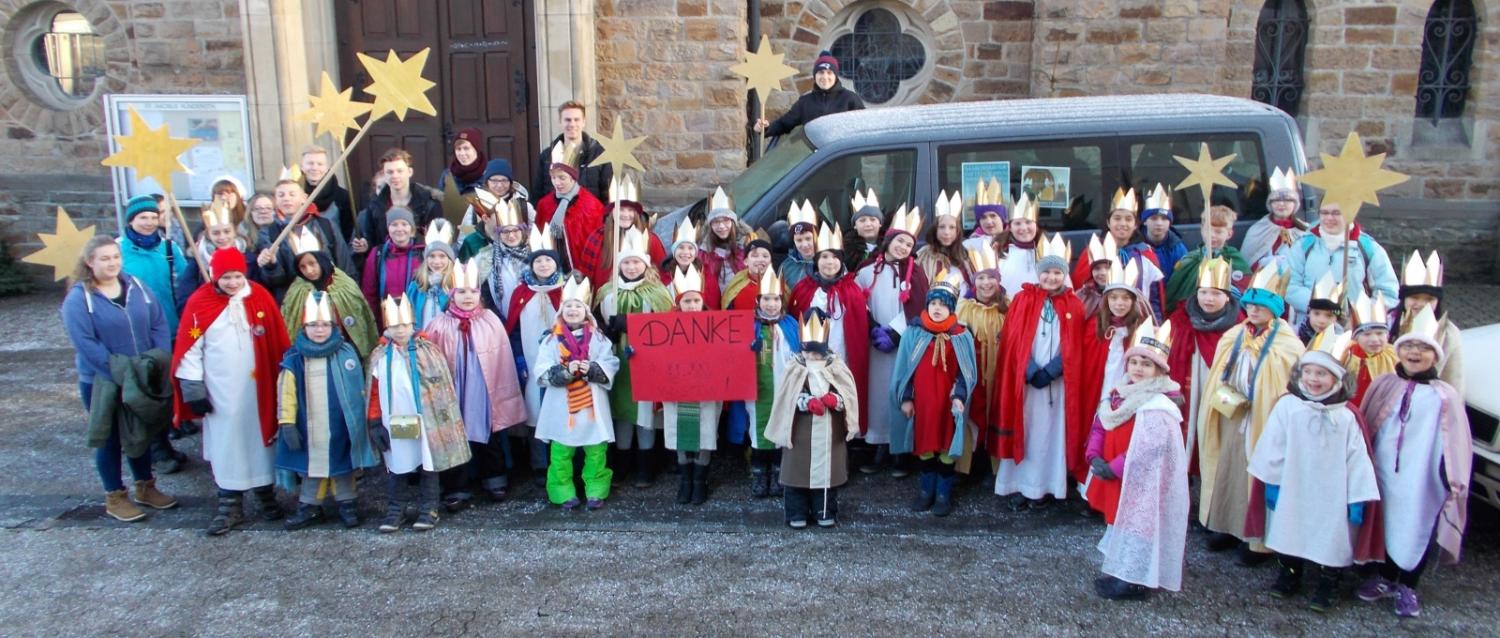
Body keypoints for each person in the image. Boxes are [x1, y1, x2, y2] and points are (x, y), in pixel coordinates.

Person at [1248, 328, 1380, 612]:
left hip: (1332, 490)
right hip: (1294, 483)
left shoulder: (1345, 416)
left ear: (1337, 379)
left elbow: (1357, 457)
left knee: (1331, 535)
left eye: (1322, 374)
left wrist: (1356, 496)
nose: (1313, 379)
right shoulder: (1288, 407)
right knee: (1289, 527)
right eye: (1308, 372)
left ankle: (1328, 581)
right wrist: (1272, 482)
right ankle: (1290, 574)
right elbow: (1273, 444)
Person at [1357, 306, 1472, 618]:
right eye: (1408, 345)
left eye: (1423, 348)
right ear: (1399, 349)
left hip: (1421, 475)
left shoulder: (1445, 396)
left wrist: (1451, 476)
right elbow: (1367, 422)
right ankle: (1384, 577)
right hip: (1384, 470)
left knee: (1414, 525)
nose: (1414, 352)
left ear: (1436, 356)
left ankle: (1408, 584)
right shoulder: (1384, 384)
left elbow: (1456, 442)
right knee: (1385, 520)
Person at [171, 248, 291, 536]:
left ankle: (265, 494)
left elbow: (277, 338)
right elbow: (189, 349)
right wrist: (192, 388)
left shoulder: (259, 296)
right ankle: (230, 502)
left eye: (237, 276)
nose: (233, 282)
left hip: (257, 387)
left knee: (260, 441)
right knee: (228, 444)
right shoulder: (200, 303)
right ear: (216, 275)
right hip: (220, 390)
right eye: (226, 277)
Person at [61, 236, 179, 522]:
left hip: (140, 373)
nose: (112, 263)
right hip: (103, 380)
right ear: (90, 262)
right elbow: (85, 343)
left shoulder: (137, 287)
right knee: (110, 438)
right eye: (104, 258)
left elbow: (158, 322)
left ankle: (145, 487)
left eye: (115, 257)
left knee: (139, 432)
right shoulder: (79, 299)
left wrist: (157, 357)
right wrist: (119, 369)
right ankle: (115, 495)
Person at [1196, 266, 1304, 563]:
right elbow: (1220, 370)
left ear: (1274, 310)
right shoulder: (1234, 335)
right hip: (1231, 412)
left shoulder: (1288, 344)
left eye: (1261, 306)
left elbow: (1287, 381)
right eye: (1251, 305)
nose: (1254, 310)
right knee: (1227, 467)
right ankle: (1225, 524)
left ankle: (1255, 537)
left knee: (1256, 473)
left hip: (1263, 418)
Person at [1085, 319, 1187, 600]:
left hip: (1139, 478)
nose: (1139, 369)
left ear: (1158, 370)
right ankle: (1121, 569)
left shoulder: (1159, 404)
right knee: (1119, 521)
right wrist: (1094, 456)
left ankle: (1135, 580)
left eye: (1147, 364)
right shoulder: (1119, 394)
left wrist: (1116, 467)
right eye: (1135, 363)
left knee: (1139, 526)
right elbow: (1101, 424)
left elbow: (1149, 448)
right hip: (1114, 473)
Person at [993, 234, 1087, 511]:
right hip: (1027, 383)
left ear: (1065, 275)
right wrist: (1030, 369)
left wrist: (1054, 369)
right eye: (1047, 271)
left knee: (1049, 435)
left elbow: (1076, 346)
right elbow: (1012, 340)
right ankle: (1022, 485)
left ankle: (1046, 487)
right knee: (1027, 429)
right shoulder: (1022, 299)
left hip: (1057, 385)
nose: (1052, 277)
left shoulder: (1074, 305)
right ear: (1039, 273)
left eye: (1058, 272)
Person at [425, 259, 529, 508]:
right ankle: (456, 487)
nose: (468, 297)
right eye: (461, 292)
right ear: (452, 295)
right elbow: (430, 360)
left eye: (472, 291)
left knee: (488, 430)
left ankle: (494, 478)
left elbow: (501, 357)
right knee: (453, 436)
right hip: (453, 388)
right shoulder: (438, 324)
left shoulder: (490, 320)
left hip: (483, 387)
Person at [366, 294, 472, 532]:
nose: (400, 330)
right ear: (387, 327)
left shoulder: (428, 350)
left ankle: (429, 508)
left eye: (404, 325)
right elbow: (373, 391)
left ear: (413, 324)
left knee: (428, 464)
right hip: (394, 421)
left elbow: (442, 386)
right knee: (397, 465)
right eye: (394, 326)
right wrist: (374, 421)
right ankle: (396, 510)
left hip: (426, 419)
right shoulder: (380, 356)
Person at [274, 291, 378, 530]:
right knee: (313, 468)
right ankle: (309, 506)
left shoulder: (346, 353)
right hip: (309, 427)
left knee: (344, 466)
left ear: (334, 325)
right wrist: (286, 422)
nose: (319, 330)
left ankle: (347, 504)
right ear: (304, 326)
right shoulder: (294, 359)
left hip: (341, 426)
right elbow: (286, 392)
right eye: (313, 325)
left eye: (325, 325)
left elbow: (358, 390)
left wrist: (362, 423)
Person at [890, 269, 976, 517]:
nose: (937, 308)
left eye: (943, 304)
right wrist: (906, 398)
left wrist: (959, 396)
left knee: (947, 447)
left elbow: (966, 372)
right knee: (926, 446)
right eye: (933, 303)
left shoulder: (961, 336)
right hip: (923, 403)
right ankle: (926, 491)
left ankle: (943, 494)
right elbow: (904, 369)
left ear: (952, 308)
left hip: (947, 404)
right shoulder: (914, 333)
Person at [533, 274, 620, 509]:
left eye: (577, 306)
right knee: (561, 453)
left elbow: (611, 362)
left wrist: (592, 368)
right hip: (563, 407)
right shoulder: (551, 340)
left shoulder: (599, 338)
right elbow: (540, 369)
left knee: (596, 452)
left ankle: (596, 490)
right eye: (568, 306)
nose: (573, 310)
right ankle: (562, 491)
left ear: (586, 312)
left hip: (592, 405)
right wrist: (565, 371)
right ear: (561, 311)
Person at [767, 311, 860, 528]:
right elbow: (786, 397)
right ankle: (796, 511)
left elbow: (848, 395)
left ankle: (824, 510)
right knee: (797, 473)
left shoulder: (836, 366)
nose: (813, 358)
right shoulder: (795, 366)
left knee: (827, 475)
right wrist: (805, 402)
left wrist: (834, 400)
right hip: (801, 431)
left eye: (817, 354)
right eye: (809, 352)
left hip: (829, 431)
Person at [596, 227, 674, 486]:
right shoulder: (608, 290)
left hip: (647, 361)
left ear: (645, 264)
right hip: (618, 360)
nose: (631, 267)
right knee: (621, 411)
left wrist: (630, 323)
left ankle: (645, 466)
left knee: (645, 412)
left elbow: (666, 325)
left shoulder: (657, 291)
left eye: (635, 262)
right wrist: (608, 327)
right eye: (626, 262)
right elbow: (596, 324)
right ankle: (622, 464)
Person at [855, 205, 929, 475]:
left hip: (902, 345)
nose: (903, 247)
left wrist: (896, 332)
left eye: (909, 244)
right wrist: (874, 328)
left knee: (900, 393)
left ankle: (900, 451)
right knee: (876, 395)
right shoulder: (866, 270)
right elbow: (858, 302)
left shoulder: (916, 273)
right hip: (875, 346)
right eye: (900, 241)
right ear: (888, 241)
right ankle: (879, 448)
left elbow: (920, 305)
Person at [788, 223, 870, 436]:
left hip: (842, 356)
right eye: (824, 256)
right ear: (816, 260)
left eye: (834, 257)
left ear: (841, 260)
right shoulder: (803, 289)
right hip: (810, 358)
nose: (829, 262)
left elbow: (858, 330)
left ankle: (844, 440)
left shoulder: (852, 290)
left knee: (839, 398)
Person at [1074, 258, 1152, 460]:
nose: (1119, 303)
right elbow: (1085, 360)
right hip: (1099, 386)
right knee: (1096, 423)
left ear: (1134, 301)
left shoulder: (1140, 327)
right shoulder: (1094, 325)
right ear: (1106, 300)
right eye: (1114, 298)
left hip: (1127, 387)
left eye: (1125, 298)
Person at [1165, 257, 1241, 463]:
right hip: (1189, 383)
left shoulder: (1238, 324)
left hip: (1218, 387)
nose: (1208, 298)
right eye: (1204, 292)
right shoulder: (1181, 319)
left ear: (1227, 297)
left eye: (1216, 293)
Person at [505, 228, 566, 480]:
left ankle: (561, 464)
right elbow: (514, 328)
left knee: (560, 407)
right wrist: (518, 356)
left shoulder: (565, 290)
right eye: (538, 260)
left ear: (556, 263)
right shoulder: (522, 292)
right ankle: (540, 464)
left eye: (548, 260)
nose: (543, 264)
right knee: (535, 410)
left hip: (560, 359)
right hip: (530, 359)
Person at [660, 266, 723, 505]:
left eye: (696, 300)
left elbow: (728, 352)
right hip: (677, 389)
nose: (692, 305)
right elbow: (655, 353)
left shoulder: (717, 324)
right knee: (679, 434)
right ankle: (685, 480)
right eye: (687, 301)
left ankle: (700, 480)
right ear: (680, 303)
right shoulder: (665, 325)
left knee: (705, 433)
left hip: (707, 390)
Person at [734, 269, 800, 497]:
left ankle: (781, 474)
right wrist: (746, 350)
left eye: (775, 299)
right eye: (766, 299)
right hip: (758, 389)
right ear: (758, 300)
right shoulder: (748, 325)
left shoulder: (791, 324)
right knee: (759, 430)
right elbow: (733, 356)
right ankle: (760, 474)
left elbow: (800, 354)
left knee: (784, 428)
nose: (771, 304)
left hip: (785, 388)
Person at [1284, 199, 1398, 318]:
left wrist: (1364, 316)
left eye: (1336, 213)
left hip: (1353, 327)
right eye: (1324, 213)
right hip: (1311, 323)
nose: (1329, 218)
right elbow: (1290, 285)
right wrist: (1320, 310)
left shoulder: (1369, 248)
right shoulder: (1303, 245)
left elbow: (1388, 291)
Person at [279, 228, 380, 359]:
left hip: (345, 349)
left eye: (312, 264)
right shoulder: (296, 290)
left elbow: (360, 318)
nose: (309, 270)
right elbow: (291, 323)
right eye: (302, 267)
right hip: (309, 352)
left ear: (321, 261)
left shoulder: (343, 283)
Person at [256, 175, 356, 302]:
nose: (286, 198)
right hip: (293, 302)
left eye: (292, 194)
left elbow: (345, 264)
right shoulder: (268, 232)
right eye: (281, 195)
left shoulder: (326, 225)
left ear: (304, 198)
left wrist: (350, 296)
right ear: (275, 200)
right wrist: (271, 265)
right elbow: (275, 280)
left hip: (331, 297)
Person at [1072, 188, 1165, 319]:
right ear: (1108, 223)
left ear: (1136, 225)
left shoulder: (1145, 255)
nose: (1122, 223)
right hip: (1099, 325)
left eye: (1128, 219)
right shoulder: (1094, 251)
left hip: (1137, 323)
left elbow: (1154, 298)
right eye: (1117, 218)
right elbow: (1081, 294)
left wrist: (1156, 324)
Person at [957, 243, 1008, 474]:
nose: (986, 283)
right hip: (971, 375)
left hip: (999, 374)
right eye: (981, 278)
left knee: (998, 414)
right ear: (973, 281)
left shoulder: (1009, 307)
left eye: (991, 278)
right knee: (969, 416)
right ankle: (968, 464)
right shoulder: (964, 307)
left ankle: (995, 464)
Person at [117, 194, 196, 338]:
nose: (150, 222)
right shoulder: (117, 250)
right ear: (131, 220)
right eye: (143, 217)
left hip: (169, 325)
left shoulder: (169, 248)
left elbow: (186, 282)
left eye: (154, 217)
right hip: (134, 328)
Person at [1388, 250, 1463, 394]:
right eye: (1414, 297)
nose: (1421, 304)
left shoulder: (1448, 332)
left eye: (1429, 299)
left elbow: (1454, 377)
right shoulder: (1386, 323)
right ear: (1404, 298)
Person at [576, 179, 666, 289]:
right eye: (620, 209)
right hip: (604, 301)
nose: (625, 214)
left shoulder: (650, 240)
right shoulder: (597, 237)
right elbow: (586, 276)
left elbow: (663, 275)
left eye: (630, 210)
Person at [753, 50, 864, 138]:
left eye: (829, 73)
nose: (825, 77)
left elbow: (864, 127)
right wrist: (765, 128)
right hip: (817, 161)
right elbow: (784, 124)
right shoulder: (805, 102)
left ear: (835, 76)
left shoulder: (850, 99)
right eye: (821, 72)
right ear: (815, 76)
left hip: (844, 162)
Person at [353, 148, 443, 256]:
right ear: (384, 175)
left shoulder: (429, 204)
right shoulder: (375, 206)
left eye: (400, 171)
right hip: (386, 265)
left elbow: (439, 242)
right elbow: (372, 240)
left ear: (409, 172)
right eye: (390, 172)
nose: (395, 176)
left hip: (419, 265)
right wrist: (366, 245)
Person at [1163, 205, 1250, 314]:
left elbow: (1244, 292)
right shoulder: (1190, 259)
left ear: (1229, 234)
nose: (1212, 236)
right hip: (1190, 314)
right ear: (1201, 230)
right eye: (1208, 230)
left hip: (1224, 315)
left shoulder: (1234, 259)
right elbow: (1175, 289)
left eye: (1218, 232)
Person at [463, 191, 530, 317]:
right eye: (505, 232)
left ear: (522, 230)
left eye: (515, 230)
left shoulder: (534, 255)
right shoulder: (486, 258)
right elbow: (476, 289)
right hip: (501, 319)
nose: (511, 236)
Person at [533, 101, 613, 200]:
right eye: (567, 120)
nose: (572, 124)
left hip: (591, 214)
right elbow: (538, 194)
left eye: (576, 119)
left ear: (583, 122)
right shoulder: (546, 156)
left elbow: (607, 194)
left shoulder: (600, 155)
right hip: (556, 214)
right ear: (560, 122)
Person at [534, 162, 606, 270]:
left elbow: (598, 243)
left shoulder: (592, 206)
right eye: (553, 178)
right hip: (552, 267)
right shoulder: (544, 204)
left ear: (573, 178)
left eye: (562, 178)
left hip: (582, 267)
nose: (557, 183)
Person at [361, 206, 425, 325]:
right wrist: (375, 323)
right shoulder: (377, 254)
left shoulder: (422, 254)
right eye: (394, 224)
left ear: (411, 228)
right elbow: (369, 293)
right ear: (388, 228)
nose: (399, 229)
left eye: (404, 224)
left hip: (417, 321)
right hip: (388, 322)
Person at [1242, 168, 1308, 273]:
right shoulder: (1257, 230)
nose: (1281, 204)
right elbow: (1246, 264)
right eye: (1276, 200)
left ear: (1295, 204)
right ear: (1270, 204)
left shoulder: (1306, 231)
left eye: (1287, 200)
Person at [914, 191, 973, 292]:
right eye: (942, 227)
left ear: (957, 231)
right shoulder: (923, 256)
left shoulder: (966, 256)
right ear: (935, 229)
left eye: (952, 227)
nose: (946, 232)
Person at [459, 158, 533, 238]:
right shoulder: (477, 205)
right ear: (487, 182)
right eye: (494, 181)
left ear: (510, 182)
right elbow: (465, 234)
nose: (499, 185)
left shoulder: (522, 204)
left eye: (504, 180)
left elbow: (534, 232)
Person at [1344, 292, 1395, 407]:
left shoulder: (1393, 355)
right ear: (1356, 338)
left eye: (1379, 333)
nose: (1374, 339)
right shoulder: (1347, 355)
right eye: (1367, 334)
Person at [661, 217, 722, 310]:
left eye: (690, 248)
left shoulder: (707, 276)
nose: (686, 252)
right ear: (674, 251)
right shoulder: (664, 276)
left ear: (695, 252)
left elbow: (714, 306)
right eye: (681, 247)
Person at [298, 145, 356, 241]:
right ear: (302, 167)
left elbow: (349, 232)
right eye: (310, 163)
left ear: (327, 168)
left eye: (320, 164)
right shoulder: (293, 196)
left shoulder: (342, 197)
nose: (314, 168)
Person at [406, 219, 456, 329]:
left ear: (450, 259)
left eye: (442, 256)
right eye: (432, 256)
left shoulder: (455, 285)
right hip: (423, 339)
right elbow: (410, 314)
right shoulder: (417, 285)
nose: (437, 262)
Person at [699, 186, 750, 292]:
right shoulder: (703, 253)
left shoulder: (747, 245)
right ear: (710, 225)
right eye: (716, 222)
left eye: (726, 220)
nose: (721, 226)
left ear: (734, 222)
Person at [997, 193, 1042, 300]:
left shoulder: (1048, 251)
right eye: (1017, 223)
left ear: (1036, 225)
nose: (1023, 228)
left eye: (1028, 222)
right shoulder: (1000, 252)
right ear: (1010, 228)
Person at [1139, 185, 1186, 283]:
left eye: (1164, 219)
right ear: (1145, 221)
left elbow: (1183, 280)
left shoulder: (1178, 249)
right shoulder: (1135, 247)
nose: (1159, 223)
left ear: (1170, 222)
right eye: (1154, 218)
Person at [721, 236, 777, 312]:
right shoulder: (737, 282)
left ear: (771, 262)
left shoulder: (778, 285)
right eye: (755, 256)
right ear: (746, 261)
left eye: (765, 256)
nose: (760, 259)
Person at [1074, 234, 1118, 319]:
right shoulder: (1083, 295)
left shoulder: (1127, 294)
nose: (1103, 273)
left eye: (1108, 268)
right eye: (1097, 268)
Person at [779, 200, 820, 289]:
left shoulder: (831, 261)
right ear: (793, 241)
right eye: (799, 240)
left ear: (816, 237)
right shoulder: (786, 267)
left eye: (808, 238)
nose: (804, 245)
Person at [842, 190, 884, 273]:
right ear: (855, 225)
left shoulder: (890, 248)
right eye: (862, 220)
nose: (868, 224)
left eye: (873, 219)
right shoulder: (845, 251)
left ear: (880, 223)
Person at [437, 128, 488, 195]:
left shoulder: (489, 174)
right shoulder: (447, 175)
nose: (462, 153)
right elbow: (440, 202)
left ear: (476, 149)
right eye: (458, 149)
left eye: (466, 148)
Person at [1299, 272, 1343, 345]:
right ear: (1309, 313)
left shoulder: (1341, 342)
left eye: (1329, 315)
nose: (1321, 321)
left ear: (1336, 318)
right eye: (1316, 313)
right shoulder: (1295, 337)